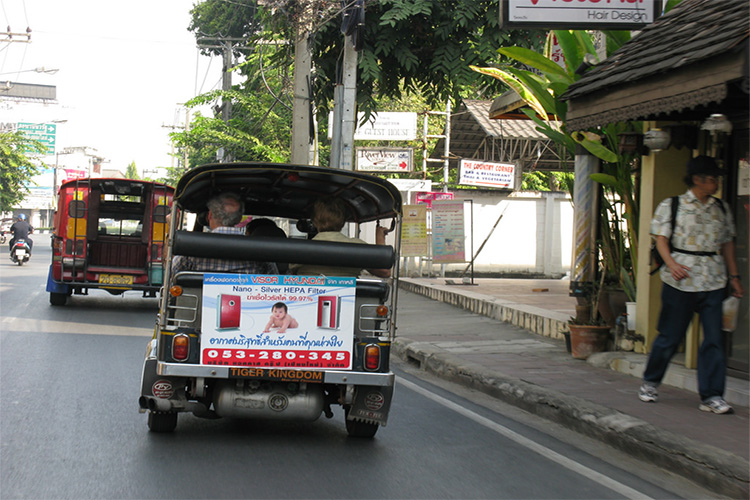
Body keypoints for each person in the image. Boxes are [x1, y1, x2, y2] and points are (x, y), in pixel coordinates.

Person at [639, 156, 744, 414]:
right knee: (670, 336)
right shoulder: (672, 205)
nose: (717, 182)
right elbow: (661, 239)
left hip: (713, 280)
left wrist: (734, 277)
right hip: (680, 280)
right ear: (698, 180)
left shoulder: (722, 208)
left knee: (714, 340)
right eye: (712, 178)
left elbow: (727, 244)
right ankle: (651, 382)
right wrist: (671, 264)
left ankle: (711, 396)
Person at [172, 192, 278, 275]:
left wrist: (170, 229)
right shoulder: (261, 250)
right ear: (240, 218)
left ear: (209, 215)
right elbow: (273, 279)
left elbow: (171, 272)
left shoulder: (191, 247)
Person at [290, 196, 391, 278]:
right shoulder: (358, 247)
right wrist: (380, 239)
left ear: (315, 222)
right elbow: (384, 272)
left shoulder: (298, 250)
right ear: (343, 222)